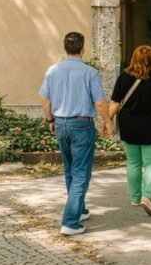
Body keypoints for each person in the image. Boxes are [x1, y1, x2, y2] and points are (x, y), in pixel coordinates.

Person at [39, 32, 113, 236]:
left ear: (65, 48)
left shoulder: (53, 71)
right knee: (81, 173)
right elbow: (99, 102)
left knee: (70, 169)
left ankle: (79, 210)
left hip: (61, 124)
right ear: (83, 49)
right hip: (81, 125)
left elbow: (45, 100)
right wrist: (108, 121)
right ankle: (70, 222)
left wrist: (51, 121)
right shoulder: (90, 72)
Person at [109, 45, 151, 216]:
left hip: (129, 125)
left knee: (133, 162)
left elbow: (115, 102)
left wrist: (107, 121)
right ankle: (147, 196)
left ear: (134, 58)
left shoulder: (123, 77)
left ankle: (135, 198)